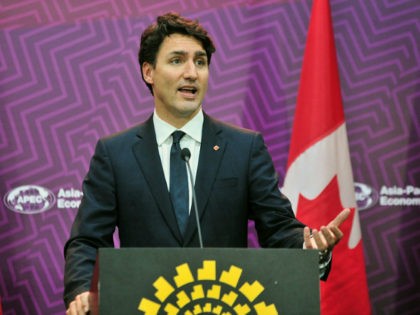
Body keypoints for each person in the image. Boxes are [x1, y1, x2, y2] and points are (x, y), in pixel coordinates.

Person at [64, 12, 350, 314]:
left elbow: (278, 227)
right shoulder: (115, 153)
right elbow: (87, 240)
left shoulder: (244, 148)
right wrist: (84, 290)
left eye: (200, 62)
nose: (192, 73)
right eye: (177, 61)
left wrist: (309, 248)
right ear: (148, 71)